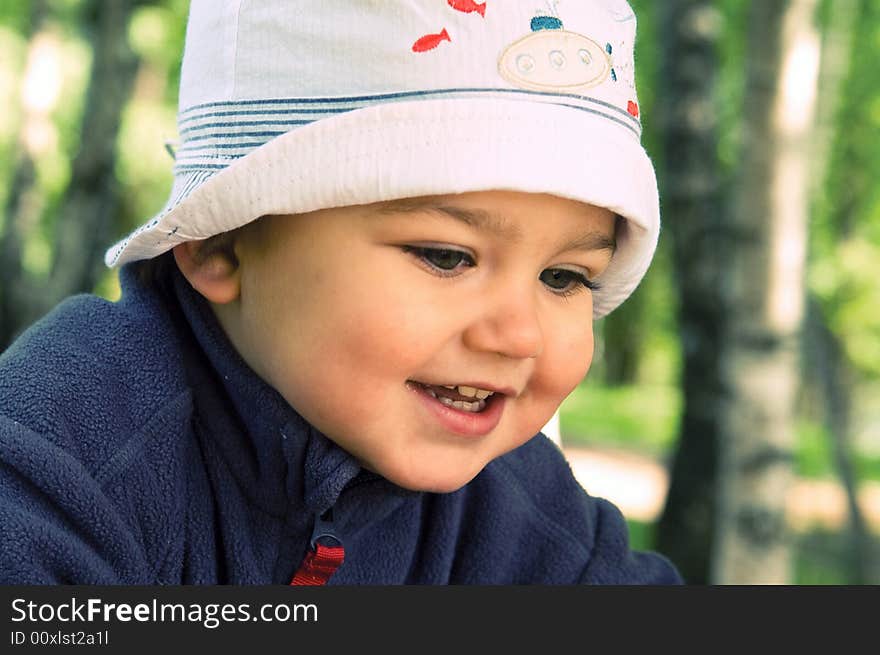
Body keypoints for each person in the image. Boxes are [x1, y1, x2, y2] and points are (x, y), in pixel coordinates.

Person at [0, 0, 683, 584]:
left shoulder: (509, 505)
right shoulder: (66, 453)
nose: (519, 335)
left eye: (562, 277)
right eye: (447, 256)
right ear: (222, 241)